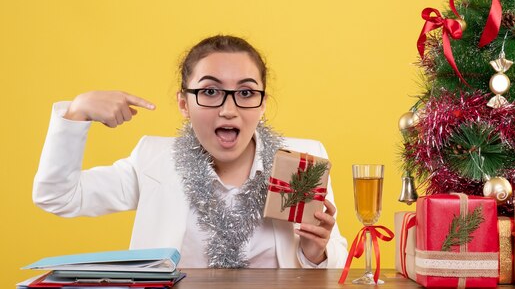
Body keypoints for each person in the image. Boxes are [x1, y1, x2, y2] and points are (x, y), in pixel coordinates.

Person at [33, 35, 348, 268]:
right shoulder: (152, 161)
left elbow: (335, 268)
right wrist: (77, 112)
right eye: (210, 91)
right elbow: (59, 195)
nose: (228, 109)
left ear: (263, 104)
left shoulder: (300, 164)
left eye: (246, 92)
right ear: (184, 103)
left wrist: (314, 252)